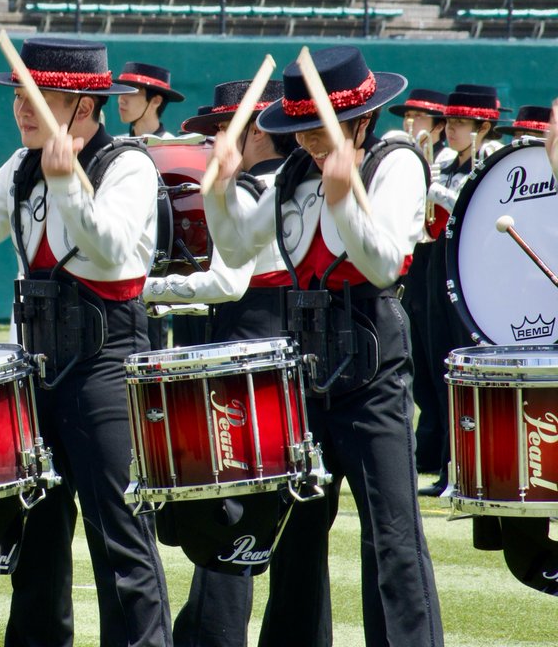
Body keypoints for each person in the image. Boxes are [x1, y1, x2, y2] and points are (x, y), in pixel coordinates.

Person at [0, 37, 171, 647]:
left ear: (85, 107)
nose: (22, 110)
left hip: (106, 362)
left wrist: (67, 184)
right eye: (18, 96)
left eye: (39, 98)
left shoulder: (129, 166)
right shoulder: (22, 164)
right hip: (37, 366)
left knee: (120, 537)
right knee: (36, 536)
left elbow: (111, 247)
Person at [205, 46, 443, 647]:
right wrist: (219, 189)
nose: (308, 144)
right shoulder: (293, 175)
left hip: (372, 365)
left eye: (317, 130)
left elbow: (385, 263)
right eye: (301, 131)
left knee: (392, 536)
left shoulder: (396, 163)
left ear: (361, 121)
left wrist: (343, 198)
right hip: (305, 363)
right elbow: (236, 250)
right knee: (297, 531)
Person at [144, 77, 290, 647]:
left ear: (254, 131)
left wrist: (147, 290)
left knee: (233, 507)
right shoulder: (292, 184)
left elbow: (227, 282)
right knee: (271, 513)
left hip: (248, 344)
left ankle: (213, 635)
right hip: (279, 340)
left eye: (219, 133)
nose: (212, 148)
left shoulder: (254, 189)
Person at [420, 84, 503, 496]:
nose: (450, 129)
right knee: (440, 366)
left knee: (466, 367)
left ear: (483, 127)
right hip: (439, 261)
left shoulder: (490, 160)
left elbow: (476, 211)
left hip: (470, 266)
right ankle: (449, 468)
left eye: (460, 123)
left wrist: (435, 190)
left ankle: (474, 469)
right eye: (449, 122)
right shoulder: (448, 160)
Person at [386, 88, 450, 479]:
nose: (412, 124)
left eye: (421, 118)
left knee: (438, 360)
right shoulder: (408, 155)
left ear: (437, 125)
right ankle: (428, 453)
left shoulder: (441, 160)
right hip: (420, 260)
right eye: (408, 116)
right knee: (422, 364)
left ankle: (440, 456)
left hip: (444, 260)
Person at [115, 61, 185, 137]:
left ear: (156, 101)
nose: (121, 100)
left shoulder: (170, 146)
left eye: (131, 93)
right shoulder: (116, 145)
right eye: (121, 91)